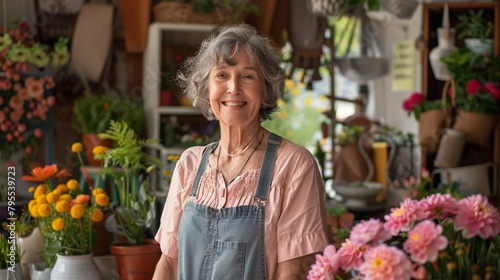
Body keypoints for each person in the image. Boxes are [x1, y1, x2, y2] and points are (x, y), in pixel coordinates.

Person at [153, 23, 328, 280]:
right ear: (207, 89)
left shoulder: (293, 165)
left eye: (248, 76)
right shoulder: (189, 164)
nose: (233, 88)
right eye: (221, 75)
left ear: (266, 89)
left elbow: (295, 271)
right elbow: (168, 264)